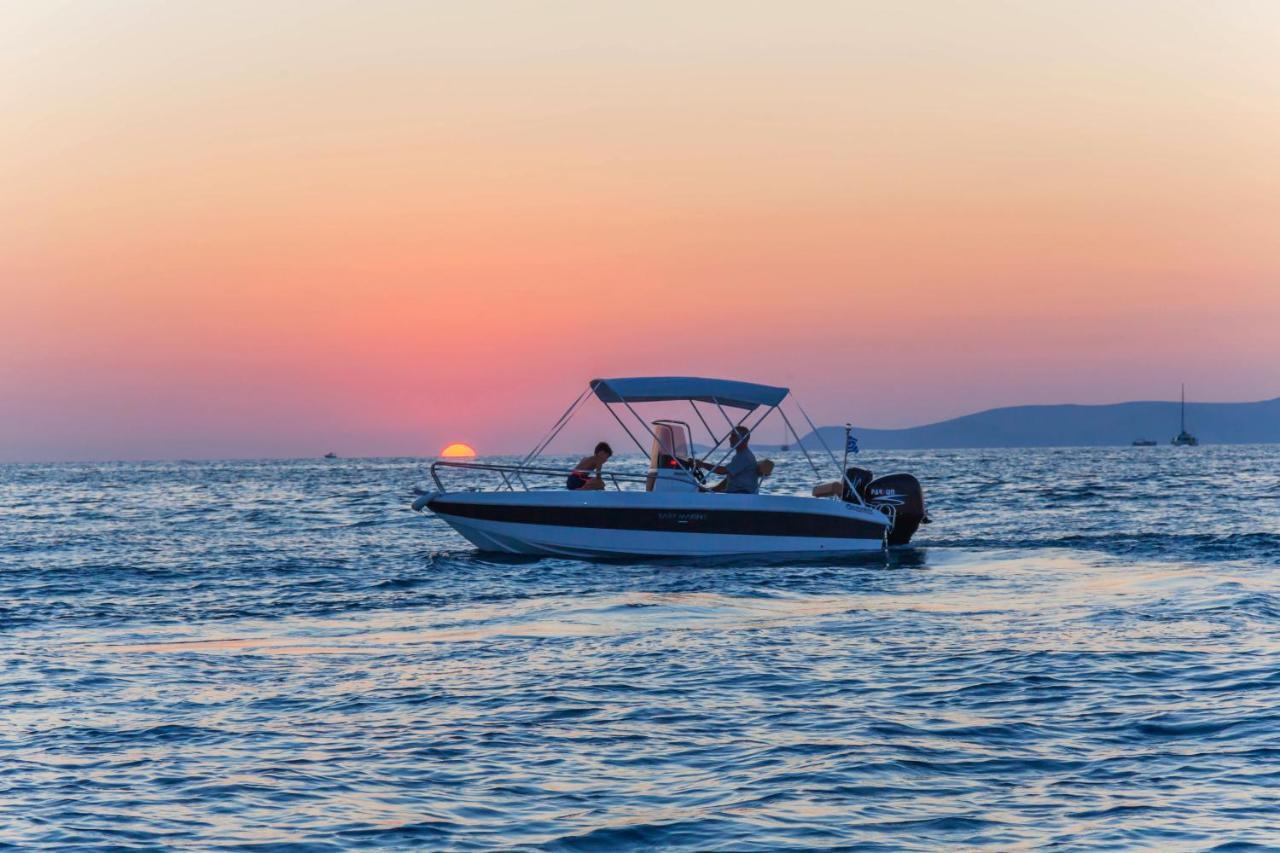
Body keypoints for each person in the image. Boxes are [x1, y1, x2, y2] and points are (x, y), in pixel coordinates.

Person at [698, 426, 772, 494]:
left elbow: (723, 471)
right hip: (736, 496)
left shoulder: (744, 456)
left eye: (733, 436)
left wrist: (702, 464)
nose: (730, 438)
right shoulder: (739, 456)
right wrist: (708, 490)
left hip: (743, 497)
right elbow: (728, 480)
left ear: (743, 439)